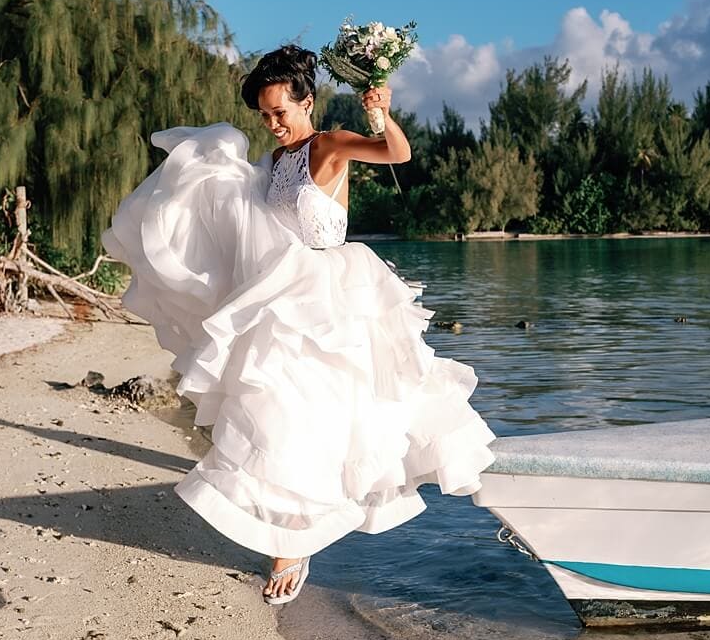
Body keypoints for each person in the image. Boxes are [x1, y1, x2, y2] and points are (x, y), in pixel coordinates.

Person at [103, 45, 495, 604]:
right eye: (263, 115)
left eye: (280, 112)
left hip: (333, 293)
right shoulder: (274, 160)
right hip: (281, 294)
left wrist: (381, 111)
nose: (271, 123)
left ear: (306, 101)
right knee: (276, 411)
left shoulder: (330, 144)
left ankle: (297, 538)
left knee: (345, 417)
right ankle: (292, 537)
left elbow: (396, 153)